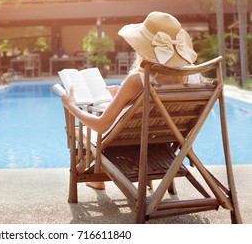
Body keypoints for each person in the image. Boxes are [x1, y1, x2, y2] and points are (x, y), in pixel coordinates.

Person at [61, 11, 199, 190]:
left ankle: (91, 173)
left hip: (129, 141)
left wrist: (72, 106)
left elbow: (101, 126)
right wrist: (125, 95)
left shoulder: (137, 80)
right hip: (163, 140)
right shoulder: (195, 77)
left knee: (89, 130)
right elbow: (159, 108)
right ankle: (99, 175)